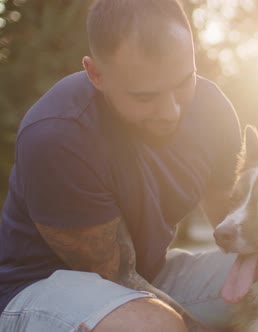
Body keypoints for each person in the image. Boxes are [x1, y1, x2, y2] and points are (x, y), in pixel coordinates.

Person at [0, 0, 242, 331]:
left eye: (184, 82)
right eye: (145, 97)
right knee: (153, 326)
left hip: (153, 275)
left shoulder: (212, 109)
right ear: (96, 74)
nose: (171, 111)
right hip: (37, 288)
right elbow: (117, 276)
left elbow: (235, 227)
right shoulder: (58, 135)